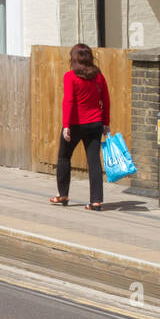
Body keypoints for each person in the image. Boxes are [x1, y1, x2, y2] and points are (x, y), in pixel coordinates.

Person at [50, 42, 111, 211]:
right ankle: (96, 201)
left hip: (76, 124)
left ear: (73, 59)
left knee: (64, 157)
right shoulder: (98, 76)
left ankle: (63, 195)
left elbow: (68, 101)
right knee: (94, 162)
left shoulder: (70, 76)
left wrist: (66, 125)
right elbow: (105, 100)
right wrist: (106, 123)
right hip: (96, 124)